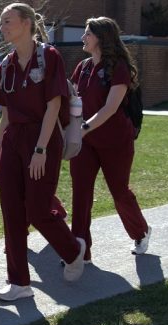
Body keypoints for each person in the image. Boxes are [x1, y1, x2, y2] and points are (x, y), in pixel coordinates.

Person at [0, 3, 85, 301]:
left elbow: (53, 105)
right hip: (12, 140)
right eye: (1, 23)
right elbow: (6, 113)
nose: (3, 27)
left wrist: (41, 149)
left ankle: (73, 251)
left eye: (8, 21)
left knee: (38, 210)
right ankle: (19, 283)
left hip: (42, 137)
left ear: (27, 23)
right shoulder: (5, 64)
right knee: (11, 211)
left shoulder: (49, 56)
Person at [69, 17, 151, 263]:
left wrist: (83, 128)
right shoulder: (82, 67)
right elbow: (71, 100)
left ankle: (141, 231)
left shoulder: (119, 68)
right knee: (81, 193)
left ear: (101, 38)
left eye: (87, 34)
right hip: (85, 142)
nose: (83, 38)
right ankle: (80, 250)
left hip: (115, 141)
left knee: (119, 192)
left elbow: (110, 108)